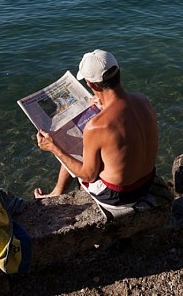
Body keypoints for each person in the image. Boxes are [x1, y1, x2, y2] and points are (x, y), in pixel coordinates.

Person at [34, 49, 159, 213]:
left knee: (69, 145)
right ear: (117, 71)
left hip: (120, 195)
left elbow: (88, 175)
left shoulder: (97, 126)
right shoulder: (143, 101)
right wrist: (104, 107)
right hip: (147, 181)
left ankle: (57, 192)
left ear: (90, 84)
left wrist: (54, 148)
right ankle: (57, 191)